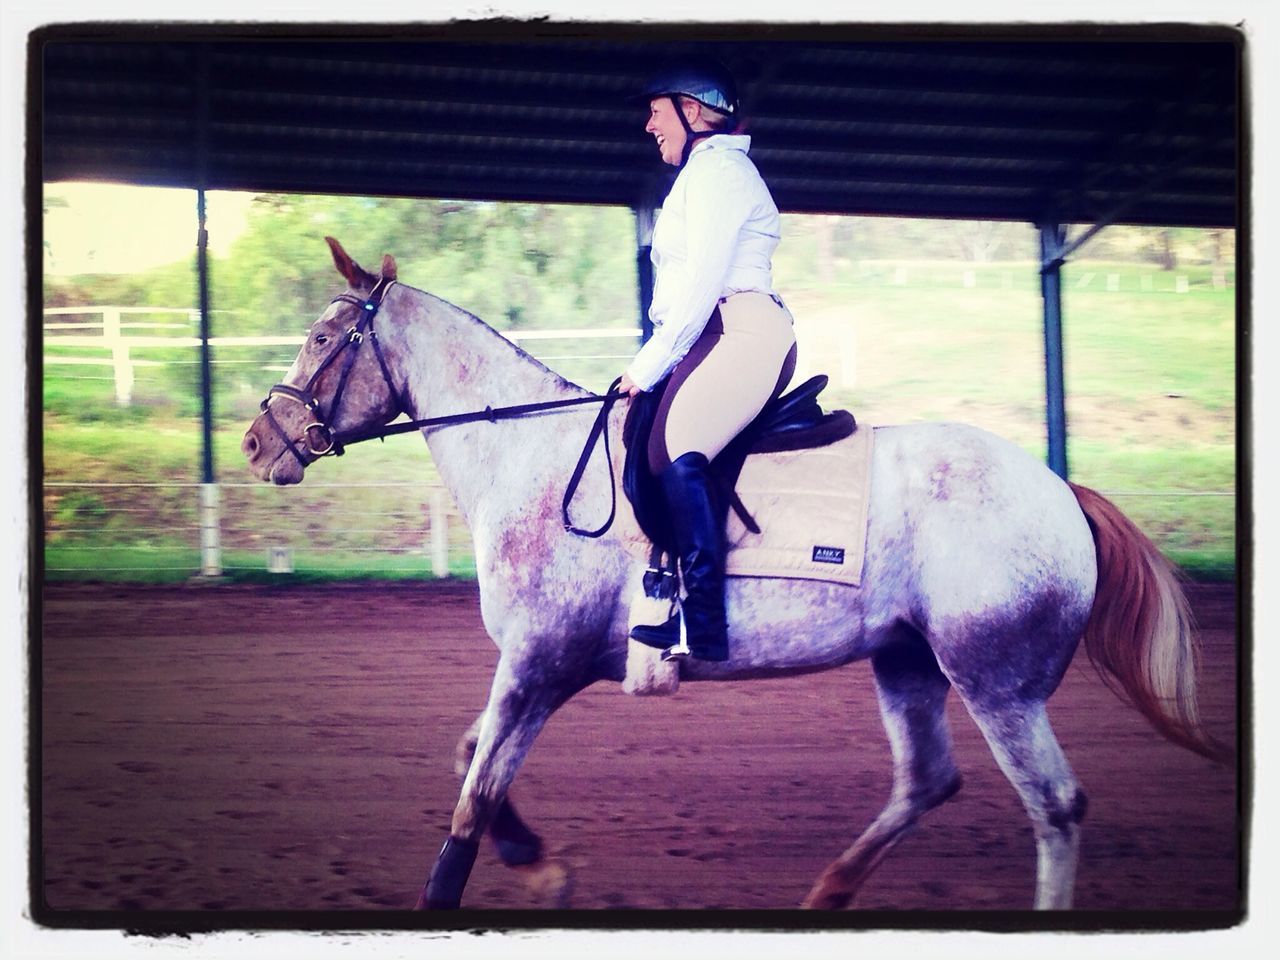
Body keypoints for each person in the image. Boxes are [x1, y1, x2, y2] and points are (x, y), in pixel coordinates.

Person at [622, 58, 797, 663]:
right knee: (648, 441)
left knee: (677, 448)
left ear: (691, 111)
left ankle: (703, 623)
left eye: (655, 111)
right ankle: (664, 592)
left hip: (740, 329)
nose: (649, 125)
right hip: (712, 331)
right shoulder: (698, 174)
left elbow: (701, 284)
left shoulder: (721, 171)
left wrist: (648, 366)